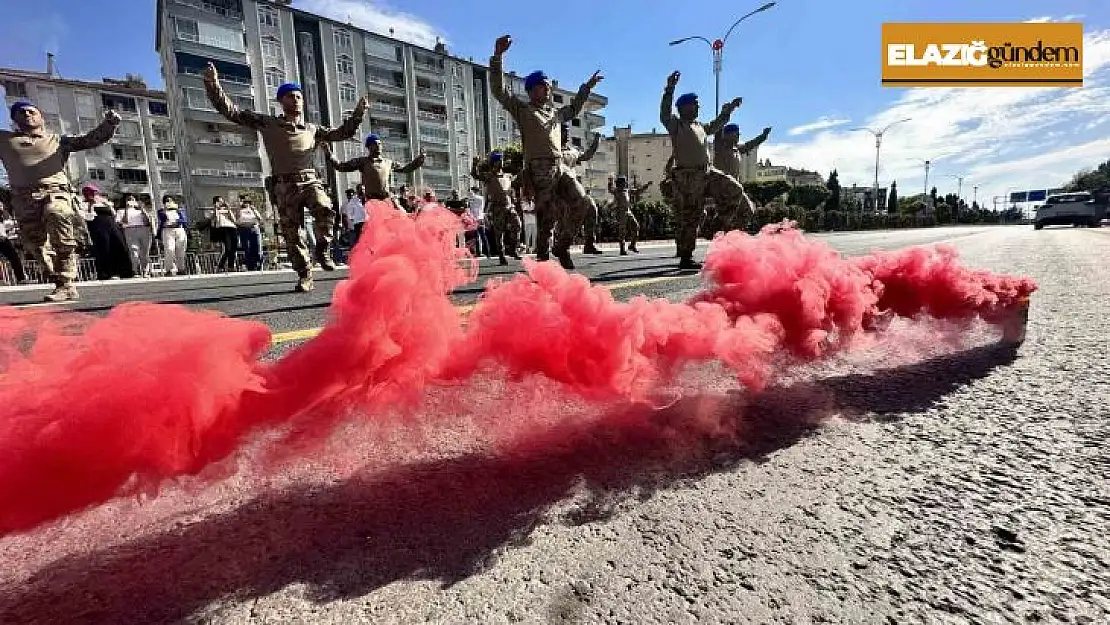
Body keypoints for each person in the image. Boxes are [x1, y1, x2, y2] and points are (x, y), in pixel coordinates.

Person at [204, 62, 367, 292]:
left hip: (309, 179)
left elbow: (343, 132)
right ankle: (305, 274)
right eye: (290, 96)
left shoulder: (312, 129)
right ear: (282, 101)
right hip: (283, 185)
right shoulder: (269, 123)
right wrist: (213, 85)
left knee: (325, 209)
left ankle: (322, 247)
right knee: (292, 232)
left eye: (299, 96)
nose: (296, 99)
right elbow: (233, 113)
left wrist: (358, 113)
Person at [489, 34, 603, 270]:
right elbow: (499, 90)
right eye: (544, 86)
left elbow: (572, 109)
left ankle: (562, 246)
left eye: (549, 86)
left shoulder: (554, 113)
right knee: (546, 219)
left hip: (560, 166)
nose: (548, 89)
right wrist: (498, 56)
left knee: (583, 203)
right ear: (532, 90)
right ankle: (542, 264)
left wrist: (586, 88)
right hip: (539, 170)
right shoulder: (523, 110)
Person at [0, 101, 120, 301]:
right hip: (23, 199)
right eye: (21, 112)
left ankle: (66, 282)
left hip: (55, 191)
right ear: (14, 119)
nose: (27, 114)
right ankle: (57, 280)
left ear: (41, 117)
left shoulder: (57, 141)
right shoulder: (5, 140)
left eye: (32, 111)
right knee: (36, 246)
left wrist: (109, 124)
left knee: (57, 213)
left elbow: (89, 140)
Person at [659, 71, 750, 270]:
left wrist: (730, 110)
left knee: (735, 189)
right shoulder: (676, 124)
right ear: (684, 107)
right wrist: (669, 88)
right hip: (688, 177)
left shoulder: (700, 126)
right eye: (695, 103)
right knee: (691, 216)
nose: (699, 106)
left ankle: (714, 225)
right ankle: (686, 257)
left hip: (707, 173)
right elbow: (664, 113)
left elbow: (717, 124)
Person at [321, 133, 424, 216]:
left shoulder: (388, 162)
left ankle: (409, 216)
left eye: (380, 144)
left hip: (387, 199)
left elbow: (406, 168)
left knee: (399, 214)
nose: (379, 146)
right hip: (372, 202)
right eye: (375, 144)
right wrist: (329, 154)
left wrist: (419, 160)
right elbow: (341, 166)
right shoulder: (363, 162)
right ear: (369, 147)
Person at [708, 123, 769, 234]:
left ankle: (733, 232)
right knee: (726, 216)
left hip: (736, 189)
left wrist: (763, 136)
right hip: (723, 189)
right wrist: (726, 112)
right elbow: (718, 128)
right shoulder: (720, 146)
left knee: (749, 210)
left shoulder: (737, 150)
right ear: (727, 135)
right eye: (736, 134)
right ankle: (722, 232)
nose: (738, 137)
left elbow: (750, 144)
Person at [558, 125, 603, 255]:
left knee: (591, 207)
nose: (566, 136)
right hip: (558, 188)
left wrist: (596, 141)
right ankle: (562, 249)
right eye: (562, 133)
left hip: (574, 187)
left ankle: (589, 244)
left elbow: (587, 155)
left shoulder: (573, 151)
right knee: (564, 220)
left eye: (567, 133)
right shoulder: (552, 150)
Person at [471, 151, 521, 265]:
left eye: (502, 159)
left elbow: (511, 189)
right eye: (499, 160)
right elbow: (475, 175)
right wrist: (475, 164)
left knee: (517, 225)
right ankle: (502, 255)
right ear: (494, 162)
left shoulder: (507, 176)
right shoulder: (488, 176)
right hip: (497, 207)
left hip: (510, 206)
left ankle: (513, 248)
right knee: (499, 233)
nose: (501, 162)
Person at [80, 184, 132, 280]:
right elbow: (88, 217)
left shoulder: (104, 202)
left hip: (112, 226)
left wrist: (107, 204)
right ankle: (107, 272)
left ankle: (124, 271)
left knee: (119, 246)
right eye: (92, 193)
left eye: (95, 192)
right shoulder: (83, 204)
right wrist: (91, 205)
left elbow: (114, 215)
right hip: (98, 228)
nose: (95, 195)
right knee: (104, 249)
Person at [608, 175, 652, 255]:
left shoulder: (627, 190)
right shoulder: (617, 191)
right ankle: (622, 249)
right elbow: (610, 189)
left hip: (628, 211)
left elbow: (638, 191)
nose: (626, 183)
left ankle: (632, 245)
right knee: (622, 231)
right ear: (620, 183)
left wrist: (647, 185)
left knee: (636, 226)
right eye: (624, 182)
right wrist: (610, 181)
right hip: (620, 212)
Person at [116, 194, 155, 277]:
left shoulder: (141, 211)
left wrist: (142, 209)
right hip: (130, 230)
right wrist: (126, 209)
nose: (131, 201)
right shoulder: (121, 211)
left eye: (133, 199)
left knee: (145, 252)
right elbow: (124, 221)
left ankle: (146, 270)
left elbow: (148, 222)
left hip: (144, 229)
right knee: (134, 251)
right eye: (128, 199)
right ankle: (135, 270)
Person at [157, 196, 189, 276]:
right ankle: (168, 269)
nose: (169, 202)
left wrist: (177, 221)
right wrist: (166, 209)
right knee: (169, 249)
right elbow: (163, 218)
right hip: (167, 230)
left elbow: (184, 220)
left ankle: (181, 268)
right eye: (167, 201)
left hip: (179, 229)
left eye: (171, 200)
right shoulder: (161, 211)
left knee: (181, 250)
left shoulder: (179, 210)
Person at [208, 195, 238, 272]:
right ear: (216, 202)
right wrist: (216, 208)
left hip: (232, 227)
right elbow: (216, 219)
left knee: (233, 249)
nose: (222, 202)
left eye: (222, 201)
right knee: (228, 249)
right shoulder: (212, 210)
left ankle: (231, 266)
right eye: (220, 201)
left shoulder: (226, 210)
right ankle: (220, 265)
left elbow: (234, 219)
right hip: (223, 228)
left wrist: (228, 209)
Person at [0, 204, 27, 284]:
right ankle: (21, 278)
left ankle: (21, 278)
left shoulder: (3, 221)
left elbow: (11, 224)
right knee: (14, 258)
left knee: (14, 258)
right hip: (3, 239)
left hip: (3, 239)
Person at [235, 198, 264, 271]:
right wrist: (238, 207)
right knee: (247, 248)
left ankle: (258, 264)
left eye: (248, 202)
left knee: (257, 247)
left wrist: (254, 210)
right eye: (245, 202)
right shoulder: (240, 210)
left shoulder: (253, 210)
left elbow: (260, 219)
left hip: (254, 228)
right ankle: (250, 266)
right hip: (244, 229)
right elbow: (237, 218)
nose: (246, 204)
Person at [466, 186, 489, 257]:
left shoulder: (475, 198)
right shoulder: (481, 198)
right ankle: (486, 252)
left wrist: (470, 192)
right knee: (482, 236)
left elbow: (471, 199)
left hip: (475, 218)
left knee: (478, 236)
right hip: (479, 218)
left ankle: (480, 252)